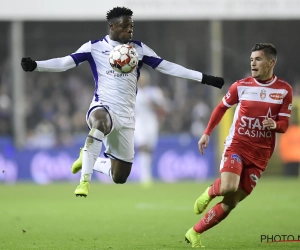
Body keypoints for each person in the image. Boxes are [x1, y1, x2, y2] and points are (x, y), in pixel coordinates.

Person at [21, 6, 224, 198]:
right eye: (125, 26)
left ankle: (87, 158)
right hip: (102, 107)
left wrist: (204, 78)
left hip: (126, 117)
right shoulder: (94, 47)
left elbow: (168, 67)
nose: (129, 30)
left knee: (120, 176)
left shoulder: (139, 49)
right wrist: (36, 66)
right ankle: (84, 181)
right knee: (100, 122)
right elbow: (64, 62)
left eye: (131, 26)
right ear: (112, 26)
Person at [184, 43, 293, 248]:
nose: (253, 63)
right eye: (251, 59)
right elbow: (220, 108)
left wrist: (275, 124)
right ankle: (210, 192)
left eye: (258, 59)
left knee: (231, 202)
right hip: (237, 145)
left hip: (261, 155)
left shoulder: (284, 90)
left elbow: (285, 125)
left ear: (271, 62)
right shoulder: (241, 86)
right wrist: (207, 133)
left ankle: (194, 232)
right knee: (228, 186)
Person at [134, 69, 167, 187]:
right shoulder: (133, 92)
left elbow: (163, 109)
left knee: (150, 149)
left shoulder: (154, 92)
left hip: (151, 122)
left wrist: (153, 103)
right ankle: (144, 176)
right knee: (142, 146)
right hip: (138, 122)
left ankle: (147, 173)